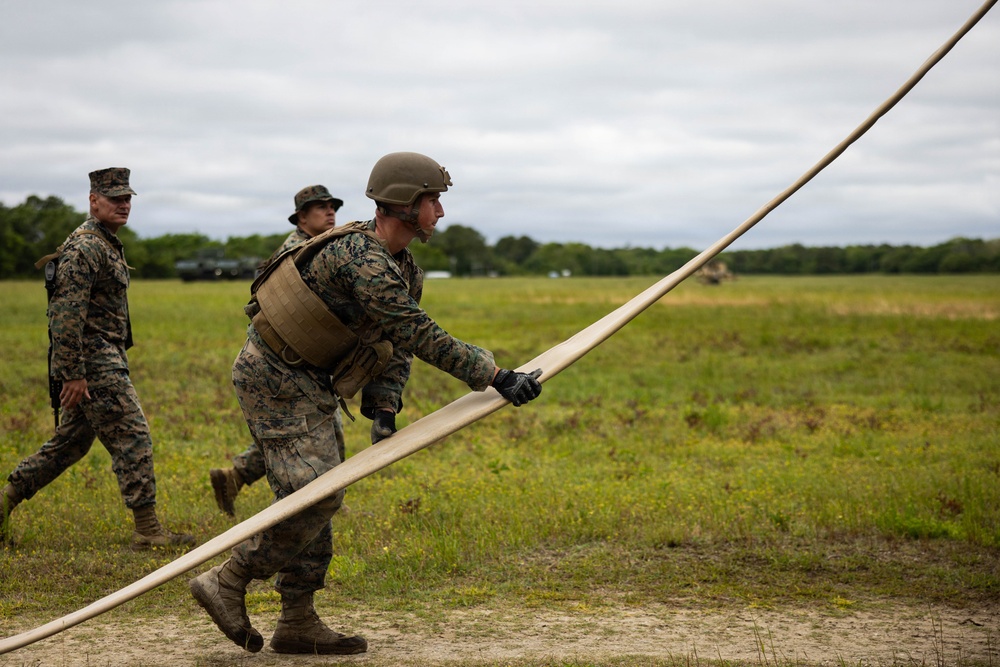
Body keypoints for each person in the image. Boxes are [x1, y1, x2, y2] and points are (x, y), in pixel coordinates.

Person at [189, 152, 543, 655]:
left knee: (319, 494)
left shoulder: (403, 267)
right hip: (274, 377)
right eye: (432, 200)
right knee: (318, 494)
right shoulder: (361, 257)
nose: (440, 212)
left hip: (313, 381)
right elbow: (415, 331)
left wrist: (384, 405)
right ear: (403, 204)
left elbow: (394, 346)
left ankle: (297, 620)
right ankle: (227, 579)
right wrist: (495, 376)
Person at [0, 168, 194, 550]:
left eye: (127, 198)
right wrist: (72, 374)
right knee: (133, 436)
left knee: (70, 444)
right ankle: (147, 529)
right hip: (93, 361)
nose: (123, 204)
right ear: (93, 201)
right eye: (114, 198)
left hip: (100, 357)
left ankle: (4, 500)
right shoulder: (87, 247)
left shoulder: (105, 242)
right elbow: (64, 315)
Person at [208, 185, 346, 517]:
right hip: (288, 360)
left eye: (332, 206)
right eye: (320, 207)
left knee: (297, 432)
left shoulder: (314, 246)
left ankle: (235, 476)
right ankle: (322, 504)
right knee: (315, 432)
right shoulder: (297, 253)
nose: (330, 211)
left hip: (304, 357)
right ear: (301, 216)